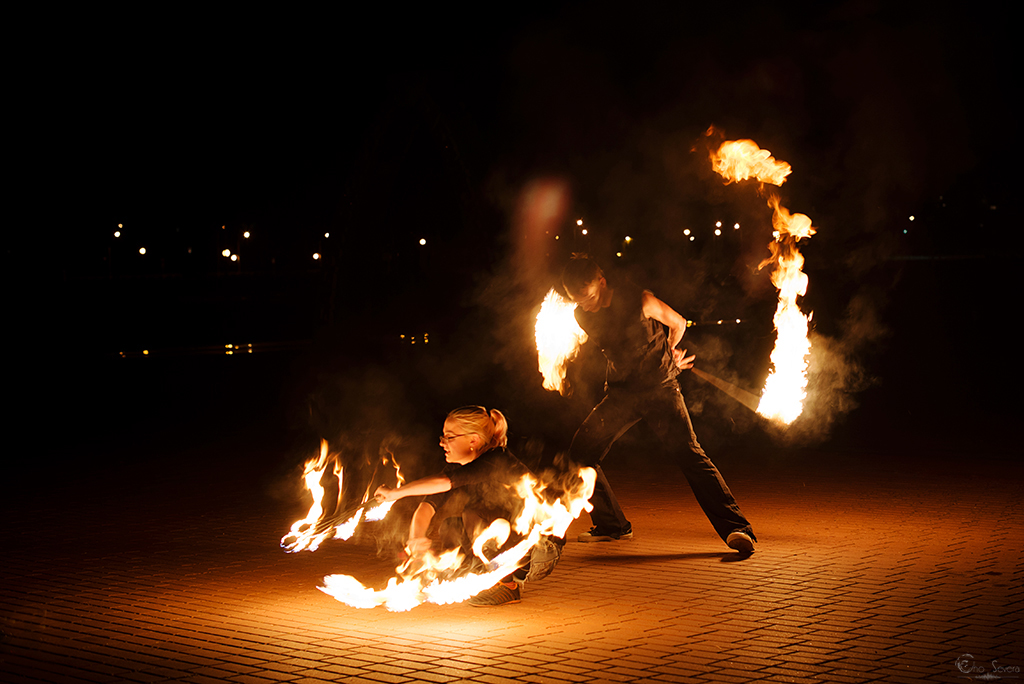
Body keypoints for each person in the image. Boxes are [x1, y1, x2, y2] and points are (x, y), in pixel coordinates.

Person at [561, 255, 757, 554]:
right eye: (577, 300)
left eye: (588, 297)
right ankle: (612, 526)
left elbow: (677, 322)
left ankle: (736, 529)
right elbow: (614, 347)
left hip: (660, 389)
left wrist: (671, 353)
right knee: (579, 456)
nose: (584, 305)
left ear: (601, 282)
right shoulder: (581, 314)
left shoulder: (641, 300)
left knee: (690, 455)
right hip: (621, 395)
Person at [375, 405, 556, 606]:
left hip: (540, 546)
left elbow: (444, 482)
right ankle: (469, 574)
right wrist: (415, 537)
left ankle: (507, 586)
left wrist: (395, 493)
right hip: (510, 540)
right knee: (451, 526)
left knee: (474, 512)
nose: (442, 443)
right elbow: (427, 506)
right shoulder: (459, 466)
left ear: (473, 440)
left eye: (449, 437)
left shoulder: (496, 459)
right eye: (443, 436)